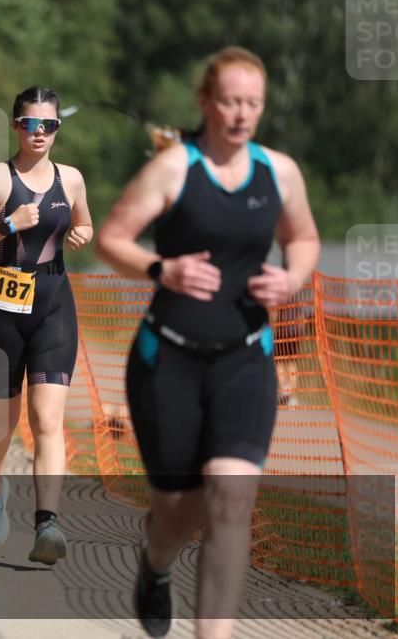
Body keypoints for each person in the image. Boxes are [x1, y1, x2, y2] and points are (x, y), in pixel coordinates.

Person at [95, 47, 320, 638]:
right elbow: (112, 238)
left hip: (246, 357)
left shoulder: (280, 172)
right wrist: (159, 270)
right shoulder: (174, 169)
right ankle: (156, 562)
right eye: (230, 101)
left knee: (230, 500)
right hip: (166, 359)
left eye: (253, 103)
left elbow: (304, 239)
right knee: (177, 510)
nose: (242, 114)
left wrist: (293, 277)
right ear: (205, 102)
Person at [0, 86, 93, 565]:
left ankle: (47, 524)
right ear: (16, 126)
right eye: (31, 124)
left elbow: (86, 223)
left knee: (48, 420)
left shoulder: (71, 180)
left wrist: (80, 233)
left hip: (54, 302)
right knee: (2, 422)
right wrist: (8, 225)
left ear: (57, 129)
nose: (39, 133)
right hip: (0, 307)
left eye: (48, 125)